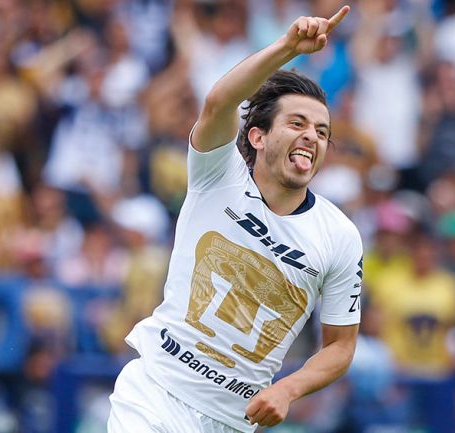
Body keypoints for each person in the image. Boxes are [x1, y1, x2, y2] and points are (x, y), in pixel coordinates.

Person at [107, 5, 364, 433]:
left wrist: (288, 389)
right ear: (257, 136)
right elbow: (218, 101)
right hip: (155, 394)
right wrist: (286, 48)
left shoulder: (340, 236)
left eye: (321, 131)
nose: (311, 136)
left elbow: (341, 346)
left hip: (233, 422)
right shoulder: (217, 175)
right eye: (297, 122)